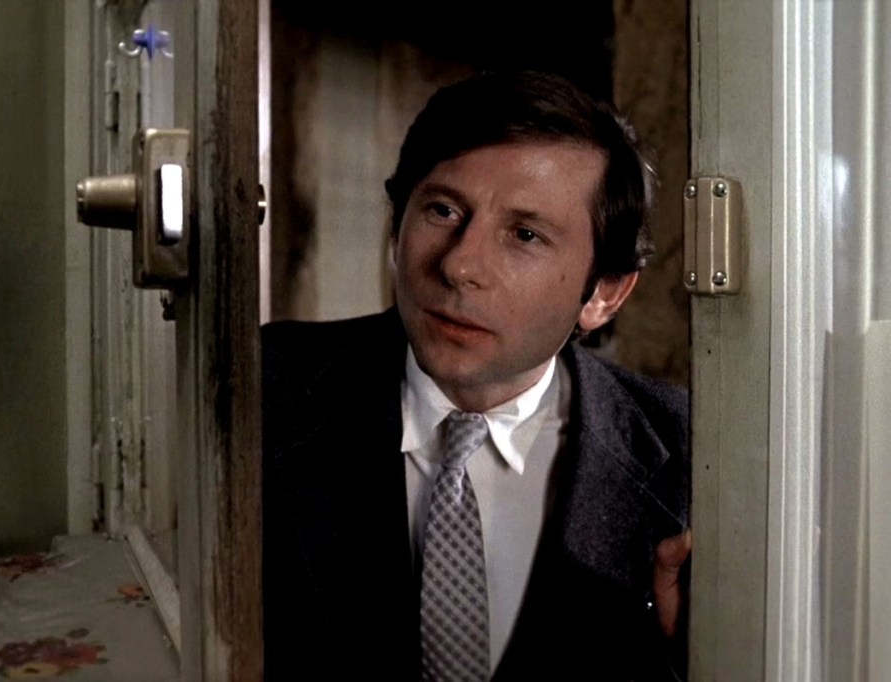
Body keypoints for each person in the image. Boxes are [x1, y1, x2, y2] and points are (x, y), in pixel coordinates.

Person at [262, 70, 691, 681]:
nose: (460, 264)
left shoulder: (686, 456)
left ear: (604, 293)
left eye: (525, 235)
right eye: (442, 210)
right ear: (397, 224)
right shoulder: (261, 387)